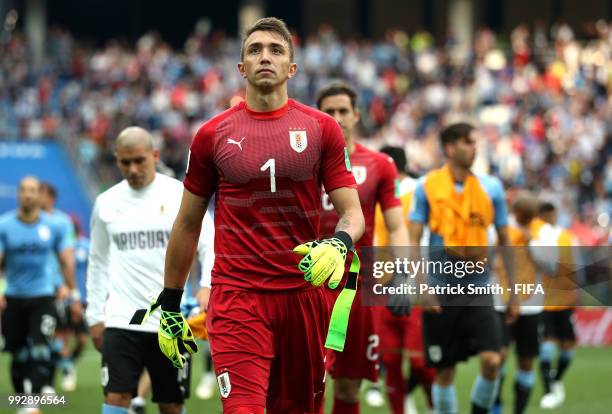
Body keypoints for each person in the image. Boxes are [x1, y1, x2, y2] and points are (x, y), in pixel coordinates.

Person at [152, 17, 364, 414]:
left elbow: (352, 213)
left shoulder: (323, 130)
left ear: (292, 68)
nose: (265, 57)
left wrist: (340, 242)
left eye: (276, 50)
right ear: (241, 68)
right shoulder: (211, 135)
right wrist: (170, 302)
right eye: (255, 50)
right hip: (237, 297)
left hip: (303, 295)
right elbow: (186, 222)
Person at [85, 126, 213, 414]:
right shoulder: (106, 203)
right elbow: (98, 262)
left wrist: (207, 285)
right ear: (116, 160)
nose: (132, 169)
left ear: (155, 155)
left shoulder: (180, 193)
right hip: (121, 320)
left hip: (170, 320)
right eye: (125, 162)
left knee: (170, 405)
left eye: (139, 160)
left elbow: (209, 242)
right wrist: (94, 316)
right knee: (116, 399)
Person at [409, 122, 518, 414]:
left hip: (479, 288)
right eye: (468, 142)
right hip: (440, 290)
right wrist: (423, 288)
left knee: (493, 361)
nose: (475, 148)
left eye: (474, 142)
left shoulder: (491, 187)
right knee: (444, 372)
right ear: (450, 148)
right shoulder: (427, 186)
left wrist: (515, 292)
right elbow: (412, 239)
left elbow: (506, 240)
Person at [315, 82, 409, 414]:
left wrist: (402, 275)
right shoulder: (302, 163)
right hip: (310, 284)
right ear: (318, 117)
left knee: (349, 383)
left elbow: (397, 225)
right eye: (329, 112)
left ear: (356, 116)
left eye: (343, 111)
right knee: (311, 380)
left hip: (357, 285)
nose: (337, 118)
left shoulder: (381, 164)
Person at [0, 176, 81, 407]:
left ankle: (32, 402)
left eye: (33, 190)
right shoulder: (4, 225)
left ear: (40, 195)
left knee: (40, 349)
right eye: (24, 190)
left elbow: (66, 262)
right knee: (18, 354)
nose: (28, 194)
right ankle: (22, 400)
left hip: (43, 296)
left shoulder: (54, 226)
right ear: (18, 194)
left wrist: (74, 294)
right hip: (14, 296)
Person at [371, 145, 435, 414]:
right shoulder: (374, 196)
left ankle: (438, 407)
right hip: (380, 285)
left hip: (413, 284)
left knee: (420, 362)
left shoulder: (420, 191)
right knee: (391, 360)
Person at [491, 192, 549, 414]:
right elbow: (487, 259)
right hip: (501, 302)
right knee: (498, 357)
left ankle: (518, 410)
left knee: (526, 361)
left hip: (531, 305)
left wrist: (531, 243)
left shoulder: (541, 232)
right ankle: (495, 406)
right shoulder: (500, 228)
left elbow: (551, 267)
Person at [538, 202, 578, 410]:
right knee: (547, 347)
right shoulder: (537, 236)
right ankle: (548, 392)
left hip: (566, 300)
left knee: (568, 348)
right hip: (545, 302)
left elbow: (574, 268)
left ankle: (555, 379)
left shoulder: (566, 237)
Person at [38, 182, 78, 392]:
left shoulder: (62, 222)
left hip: (57, 288)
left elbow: (67, 257)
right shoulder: (30, 220)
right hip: (36, 289)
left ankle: (64, 369)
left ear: (50, 197)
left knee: (58, 336)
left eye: (40, 193)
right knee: (38, 338)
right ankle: (47, 379)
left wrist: (69, 288)